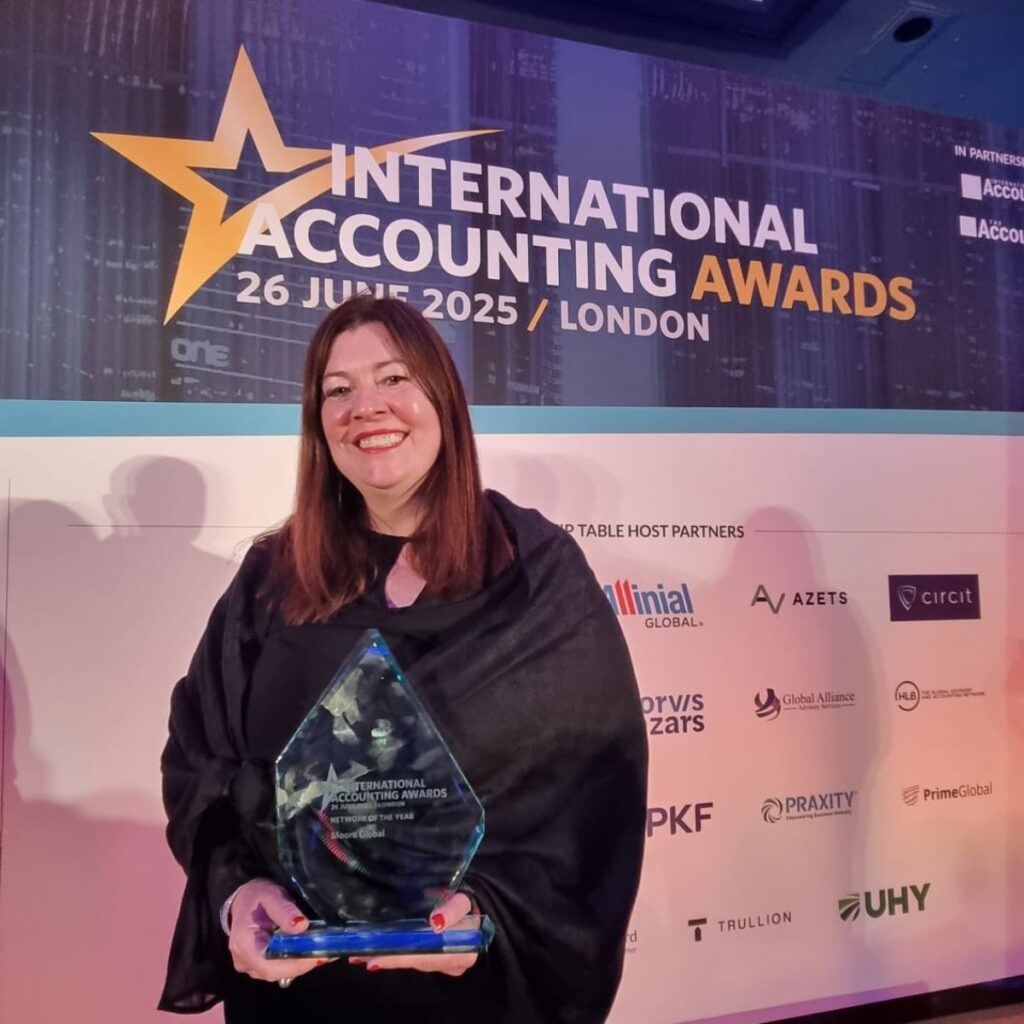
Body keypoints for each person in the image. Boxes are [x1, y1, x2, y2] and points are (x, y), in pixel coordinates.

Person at [158, 295, 648, 1023]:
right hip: (300, 992)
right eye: (338, 390)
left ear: (441, 397)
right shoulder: (271, 579)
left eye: (393, 378)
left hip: (473, 994)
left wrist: (486, 912)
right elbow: (199, 761)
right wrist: (238, 894)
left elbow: (592, 797)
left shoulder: (534, 572)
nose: (366, 407)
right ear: (318, 422)